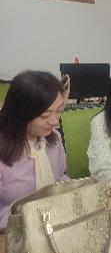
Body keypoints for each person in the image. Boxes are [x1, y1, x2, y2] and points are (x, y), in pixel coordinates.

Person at [0, 71, 69, 230]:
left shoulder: (53, 140)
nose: (54, 121)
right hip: (11, 232)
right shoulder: (4, 150)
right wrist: (30, 217)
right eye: (45, 115)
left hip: (52, 226)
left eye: (59, 110)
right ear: (21, 113)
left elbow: (59, 178)